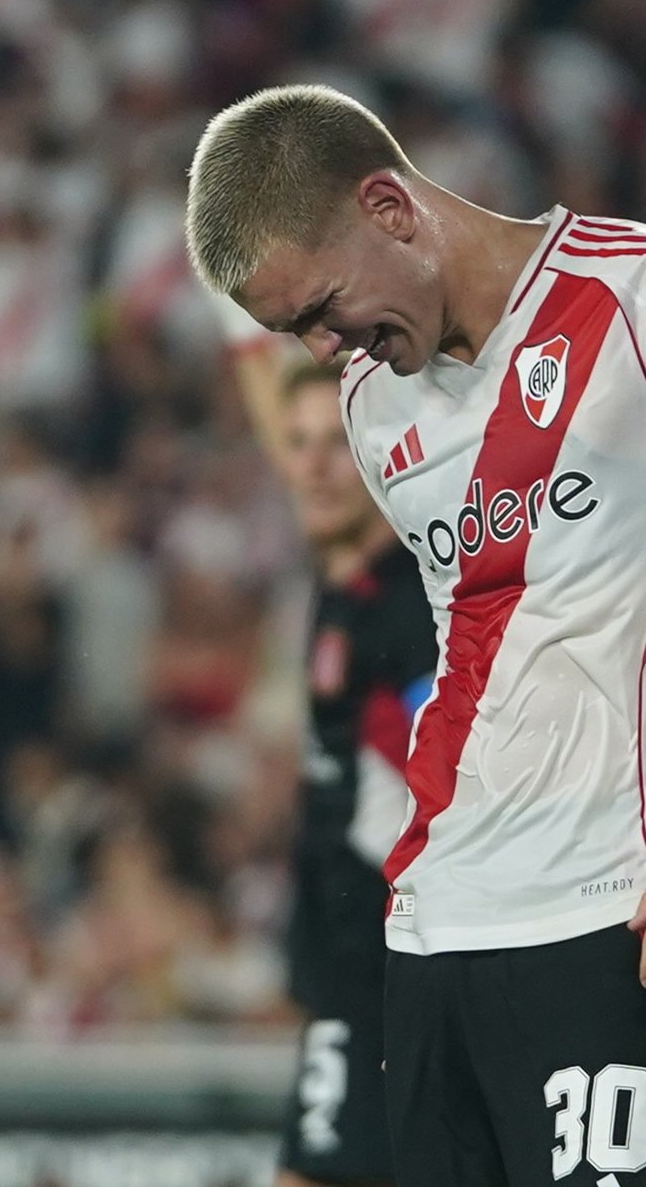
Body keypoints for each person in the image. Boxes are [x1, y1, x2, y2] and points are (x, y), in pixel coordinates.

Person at [186, 85, 646, 1187]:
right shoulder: (373, 403)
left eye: (321, 307)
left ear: (388, 208)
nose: (321, 347)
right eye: (291, 332)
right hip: (431, 934)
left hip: (615, 917)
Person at [216, 295, 434, 1186]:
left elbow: (446, 780)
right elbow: (310, 461)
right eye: (295, 445)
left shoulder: (410, 611)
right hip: (351, 962)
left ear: (381, 457)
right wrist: (240, 327)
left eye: (333, 448)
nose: (306, 466)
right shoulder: (347, 579)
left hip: (389, 968)